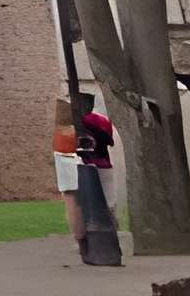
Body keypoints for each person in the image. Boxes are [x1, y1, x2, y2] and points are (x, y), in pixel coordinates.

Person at [73, 106, 121, 266]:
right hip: (101, 165)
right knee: (108, 204)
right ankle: (111, 240)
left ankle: (94, 243)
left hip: (92, 165)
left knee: (91, 206)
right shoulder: (97, 120)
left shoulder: (89, 121)